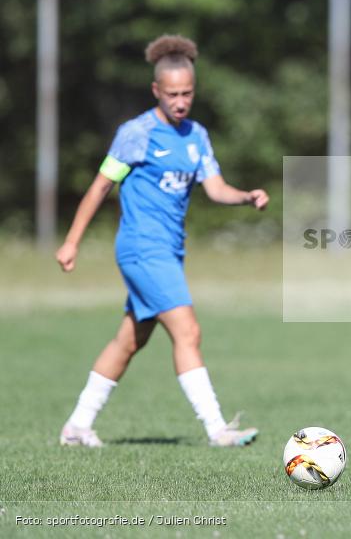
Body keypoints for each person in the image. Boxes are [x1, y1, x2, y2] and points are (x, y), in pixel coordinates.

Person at [56, 35, 268, 448]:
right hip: (141, 247)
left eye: (187, 92)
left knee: (129, 340)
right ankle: (217, 429)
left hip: (169, 250)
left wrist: (245, 196)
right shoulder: (136, 133)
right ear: (157, 91)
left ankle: (77, 427)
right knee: (187, 331)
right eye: (172, 94)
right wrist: (72, 242)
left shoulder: (196, 136)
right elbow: (100, 187)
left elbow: (216, 188)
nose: (180, 101)